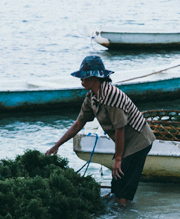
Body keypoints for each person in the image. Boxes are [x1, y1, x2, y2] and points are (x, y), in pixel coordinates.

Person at [46, 56, 155, 206]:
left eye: (84, 76)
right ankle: (118, 207)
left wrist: (117, 159)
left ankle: (124, 214)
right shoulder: (92, 96)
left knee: (123, 186)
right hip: (125, 140)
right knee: (117, 182)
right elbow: (78, 124)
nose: (81, 80)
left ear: (95, 78)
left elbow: (120, 129)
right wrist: (56, 145)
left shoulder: (112, 96)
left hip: (139, 140)